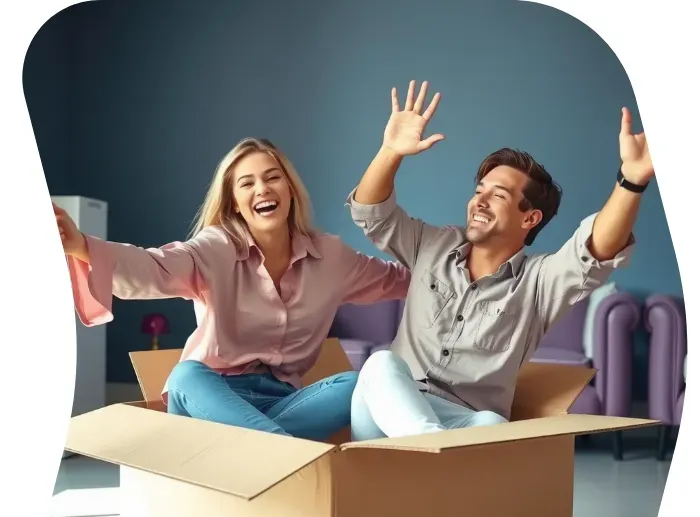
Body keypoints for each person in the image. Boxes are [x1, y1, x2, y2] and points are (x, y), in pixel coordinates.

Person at [347, 80, 651, 440]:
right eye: (479, 191)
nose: (480, 201)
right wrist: (390, 151)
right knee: (380, 365)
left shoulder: (539, 283)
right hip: (390, 410)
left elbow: (594, 250)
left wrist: (630, 180)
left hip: (462, 421)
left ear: (529, 218)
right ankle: (432, 449)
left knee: (492, 424)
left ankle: (433, 450)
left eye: (499, 196)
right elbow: (371, 213)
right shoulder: (432, 244)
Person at [57, 137, 410, 441]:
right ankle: (285, 457)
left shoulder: (331, 256)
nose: (262, 189)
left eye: (273, 178)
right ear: (234, 202)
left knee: (358, 383)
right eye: (247, 183)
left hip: (284, 402)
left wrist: (459, 267)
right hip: (211, 397)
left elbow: (397, 279)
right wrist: (81, 246)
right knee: (185, 375)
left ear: (290, 190)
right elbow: (154, 267)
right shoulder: (215, 248)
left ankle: (267, 453)